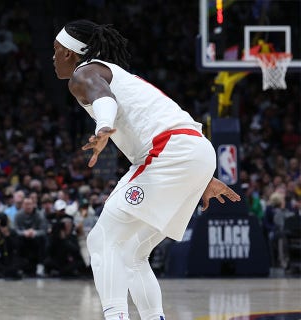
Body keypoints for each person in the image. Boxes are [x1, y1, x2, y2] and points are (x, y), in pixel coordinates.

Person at [52, 20, 241, 320]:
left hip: (170, 151)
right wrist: (199, 176)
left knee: (101, 241)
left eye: (56, 50)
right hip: (193, 150)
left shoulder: (84, 72)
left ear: (70, 54)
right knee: (131, 255)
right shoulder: (114, 73)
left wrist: (103, 129)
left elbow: (104, 99)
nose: (53, 57)